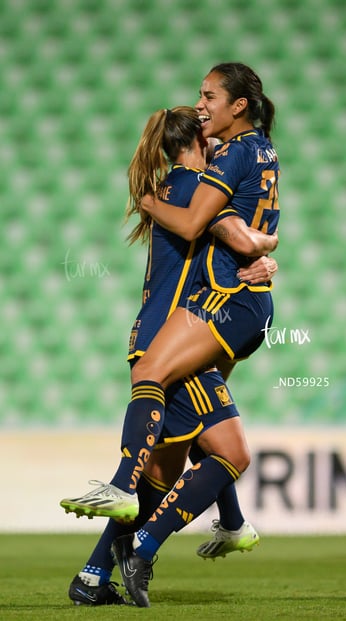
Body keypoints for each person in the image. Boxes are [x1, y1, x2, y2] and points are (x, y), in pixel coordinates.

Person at [61, 104, 279, 606]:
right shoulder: (192, 191)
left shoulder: (166, 190)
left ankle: (93, 578)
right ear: (199, 144)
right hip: (174, 338)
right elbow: (237, 235)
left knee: (165, 476)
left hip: (160, 333)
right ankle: (188, 523)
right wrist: (266, 246)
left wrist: (151, 204)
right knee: (222, 454)